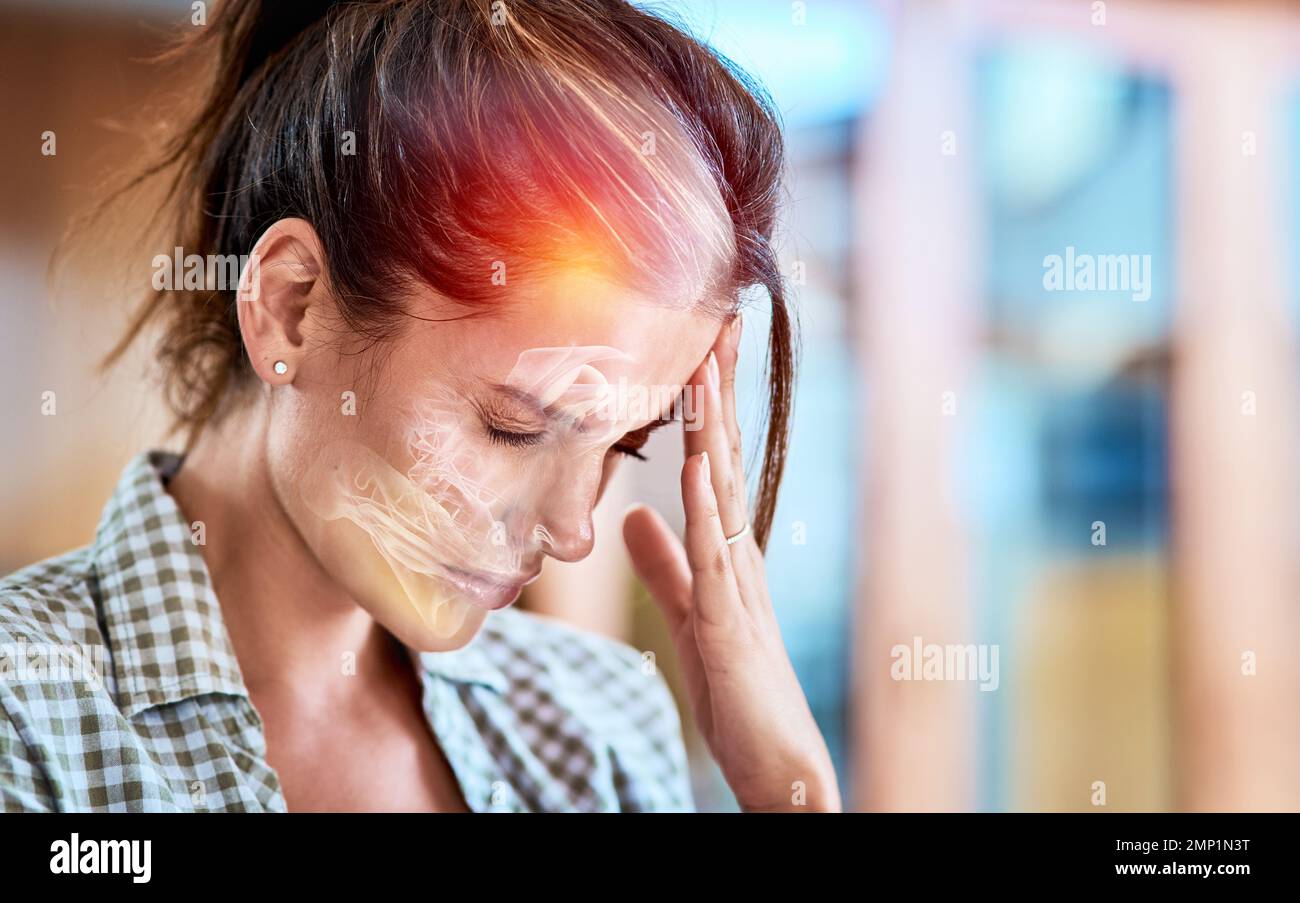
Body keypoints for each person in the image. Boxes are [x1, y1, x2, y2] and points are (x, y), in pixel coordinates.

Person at [0, 0, 839, 812]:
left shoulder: (602, 728)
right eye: (514, 425)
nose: (576, 531)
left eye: (623, 445)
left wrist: (790, 791)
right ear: (291, 305)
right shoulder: (25, 719)